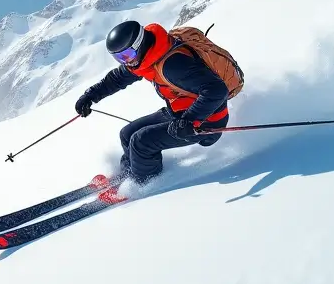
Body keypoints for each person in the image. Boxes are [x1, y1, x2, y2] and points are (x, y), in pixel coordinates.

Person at [75, 20, 242, 184]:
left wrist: (190, 120)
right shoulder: (146, 56)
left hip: (206, 122)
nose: (125, 61)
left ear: (139, 44)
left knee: (141, 142)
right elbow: (117, 78)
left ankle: (143, 183)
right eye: (119, 58)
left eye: (126, 55)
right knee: (127, 133)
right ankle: (130, 173)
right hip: (181, 112)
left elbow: (217, 90)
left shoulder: (173, 65)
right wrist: (90, 95)